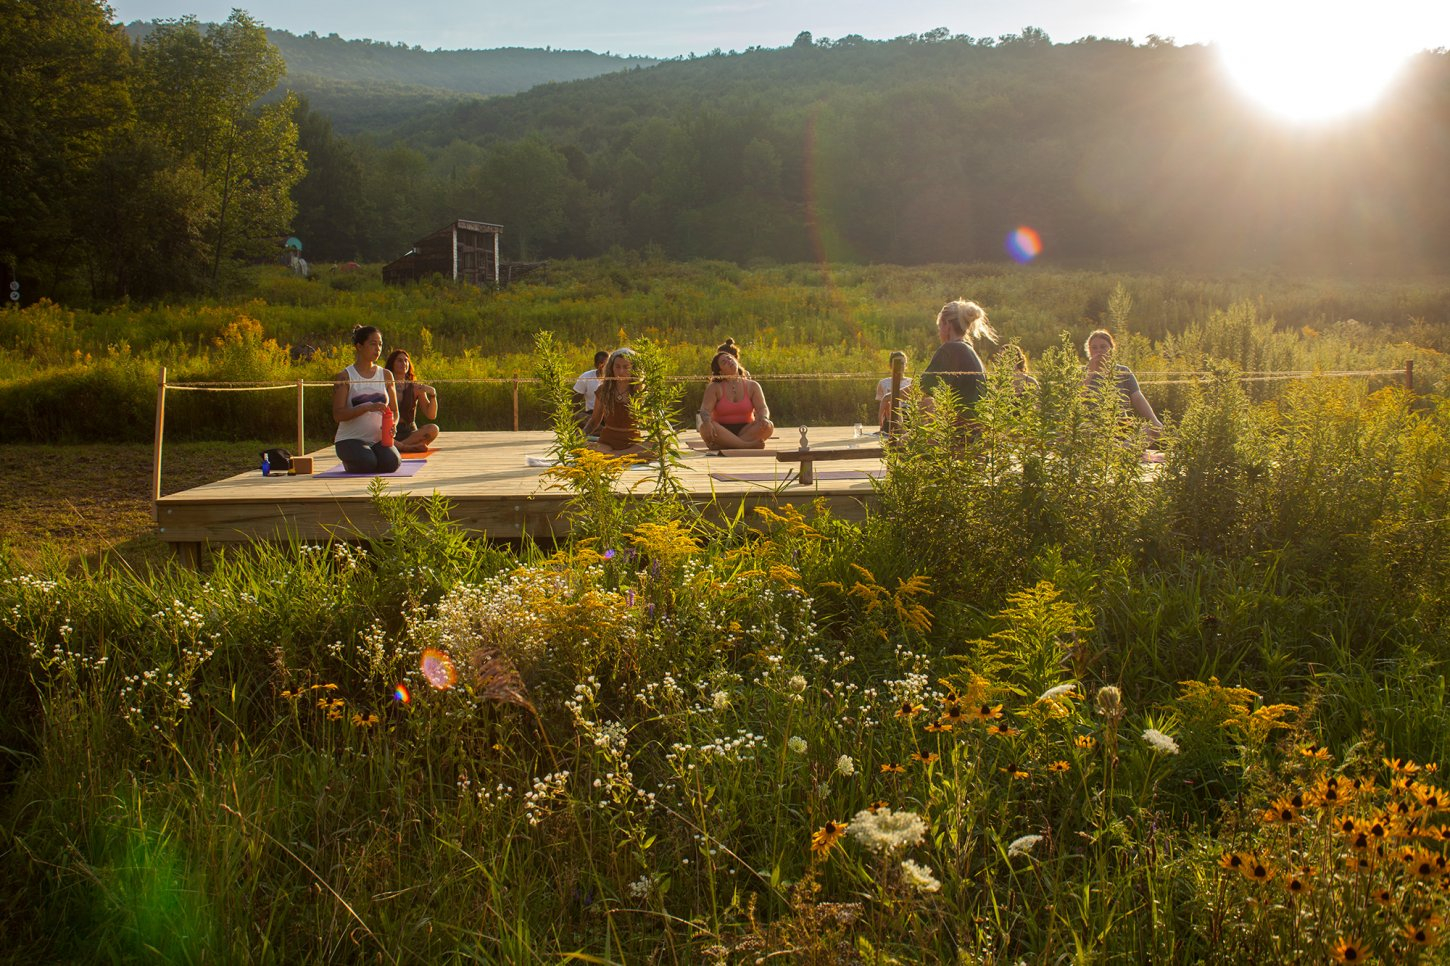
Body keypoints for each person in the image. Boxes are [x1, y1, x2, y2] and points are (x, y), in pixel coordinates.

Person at [333, 326, 402, 473]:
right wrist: (366, 407)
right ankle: (349, 461)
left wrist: (393, 424)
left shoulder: (386, 375)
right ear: (359, 346)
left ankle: (371, 456)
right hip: (349, 439)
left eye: (380, 344)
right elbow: (338, 415)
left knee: (392, 463)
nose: (378, 348)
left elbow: (395, 411)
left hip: (378, 440)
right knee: (367, 463)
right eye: (373, 344)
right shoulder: (345, 376)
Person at [1083, 328, 1162, 444]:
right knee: (1081, 430)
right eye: (1094, 348)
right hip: (1094, 425)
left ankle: (1123, 451)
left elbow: (1138, 398)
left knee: (1152, 430)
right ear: (1089, 351)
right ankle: (1120, 452)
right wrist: (1090, 373)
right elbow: (1076, 400)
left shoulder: (1123, 371)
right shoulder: (1082, 373)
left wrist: (1155, 421)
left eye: (1103, 347)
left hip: (1121, 424)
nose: (1099, 351)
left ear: (1111, 348)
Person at [919, 299, 997, 414]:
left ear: (947, 324)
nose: (939, 333)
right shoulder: (969, 350)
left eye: (940, 326)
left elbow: (922, 386)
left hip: (959, 427)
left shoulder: (950, 349)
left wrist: (891, 395)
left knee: (925, 401)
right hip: (976, 425)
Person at [698, 338, 775, 450]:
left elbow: (762, 408)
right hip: (722, 429)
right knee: (704, 427)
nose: (729, 361)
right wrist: (707, 422)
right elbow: (705, 411)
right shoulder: (714, 387)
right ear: (720, 371)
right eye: (724, 362)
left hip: (747, 429)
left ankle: (726, 444)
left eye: (730, 358)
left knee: (768, 426)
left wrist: (764, 418)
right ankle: (747, 445)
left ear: (736, 361)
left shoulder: (752, 385)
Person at [585, 348, 650, 456]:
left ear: (634, 369)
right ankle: (622, 455)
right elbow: (594, 421)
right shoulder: (603, 390)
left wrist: (659, 436)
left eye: (626, 367)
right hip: (606, 443)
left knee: (655, 446)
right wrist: (581, 435)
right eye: (617, 367)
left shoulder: (640, 391)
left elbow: (650, 421)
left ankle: (616, 455)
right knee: (583, 446)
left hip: (632, 445)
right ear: (611, 368)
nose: (621, 372)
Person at [384, 349, 440, 453]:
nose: (404, 363)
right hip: (389, 429)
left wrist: (433, 394)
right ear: (392, 363)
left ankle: (398, 446)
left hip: (409, 432)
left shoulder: (415, 387)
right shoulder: (383, 384)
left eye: (406, 361)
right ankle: (403, 447)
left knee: (433, 429)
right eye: (399, 360)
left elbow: (431, 415)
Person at [876, 351, 913, 434]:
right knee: (894, 402)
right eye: (896, 363)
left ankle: (905, 433)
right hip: (891, 417)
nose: (900, 366)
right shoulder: (883, 383)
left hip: (909, 415)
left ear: (906, 365)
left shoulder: (911, 382)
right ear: (890, 365)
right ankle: (901, 434)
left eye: (902, 363)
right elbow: (882, 405)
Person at [573, 350, 609, 428]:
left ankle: (600, 430)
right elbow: (575, 401)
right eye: (601, 363)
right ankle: (601, 430)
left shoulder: (615, 377)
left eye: (607, 363)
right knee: (578, 417)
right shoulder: (586, 377)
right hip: (592, 415)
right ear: (596, 365)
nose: (603, 366)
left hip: (609, 415)